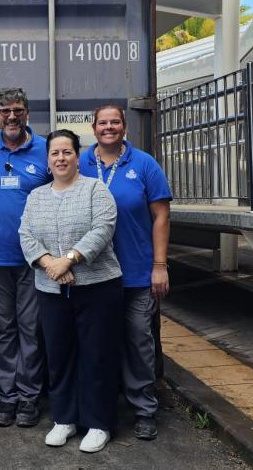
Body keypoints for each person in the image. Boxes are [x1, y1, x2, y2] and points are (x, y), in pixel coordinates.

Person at [19, 128, 122, 454]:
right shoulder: (36, 197)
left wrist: (70, 260)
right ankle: (64, 418)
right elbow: (25, 234)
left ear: (78, 157)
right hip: (51, 290)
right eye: (54, 153)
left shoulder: (95, 190)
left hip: (98, 287)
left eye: (67, 152)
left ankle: (98, 423)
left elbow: (103, 228)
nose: (60, 158)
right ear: (47, 160)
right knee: (59, 355)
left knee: (97, 355)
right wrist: (49, 263)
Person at [78, 104, 172, 440]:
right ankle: (101, 410)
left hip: (135, 273)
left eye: (114, 122)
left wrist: (159, 266)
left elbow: (161, 216)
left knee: (138, 342)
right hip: (94, 274)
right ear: (93, 127)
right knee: (97, 344)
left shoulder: (144, 164)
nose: (108, 127)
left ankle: (145, 410)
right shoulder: (80, 162)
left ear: (124, 127)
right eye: (102, 122)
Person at [0, 87, 51, 427]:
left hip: (36, 261)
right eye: (4, 111)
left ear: (27, 113)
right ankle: (7, 398)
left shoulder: (47, 148)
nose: (12, 116)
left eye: (18, 109)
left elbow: (76, 175)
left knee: (31, 330)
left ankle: (29, 399)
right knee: (2, 330)